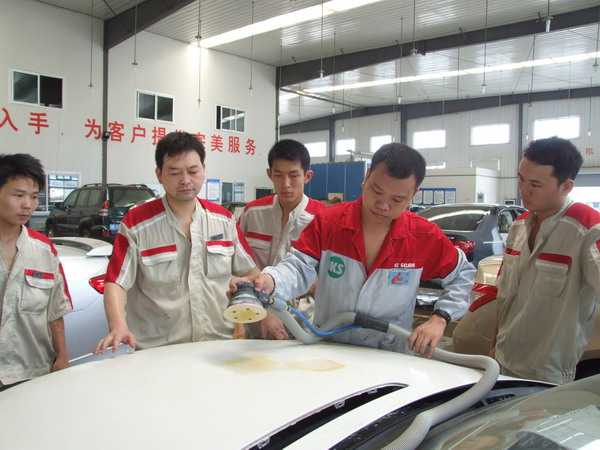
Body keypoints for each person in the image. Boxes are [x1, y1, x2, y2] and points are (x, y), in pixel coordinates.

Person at [231, 143, 475, 356]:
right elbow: (298, 267)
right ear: (366, 177)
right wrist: (270, 280)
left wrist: (440, 318)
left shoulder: (422, 236)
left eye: (397, 199)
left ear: (414, 194)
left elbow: (463, 275)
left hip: (390, 355)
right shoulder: (330, 223)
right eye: (376, 191)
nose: (383, 205)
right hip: (330, 349)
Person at [95, 132, 258, 352]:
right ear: (159, 174)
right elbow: (116, 282)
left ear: (203, 170)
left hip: (219, 346)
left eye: (193, 171)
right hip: (158, 352)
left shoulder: (224, 220)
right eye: (174, 172)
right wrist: (118, 325)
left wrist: (244, 292)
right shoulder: (137, 223)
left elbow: (252, 273)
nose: (185, 180)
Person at [493, 137, 600, 384]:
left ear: (566, 186)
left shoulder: (587, 230)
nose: (524, 190)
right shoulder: (519, 226)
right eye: (520, 179)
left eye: (535, 184)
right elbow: (505, 297)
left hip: (547, 374)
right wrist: (494, 344)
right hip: (503, 359)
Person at [238, 139, 324, 339]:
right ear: (269, 174)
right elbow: (238, 264)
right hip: (255, 316)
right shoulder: (252, 213)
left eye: (293, 175)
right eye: (278, 175)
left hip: (303, 322)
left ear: (307, 176)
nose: (285, 184)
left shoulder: (322, 219)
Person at [0, 154, 71, 391]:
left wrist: (62, 356)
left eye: (33, 196)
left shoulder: (44, 250)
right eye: (18, 195)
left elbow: (55, 311)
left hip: (32, 372)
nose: (28, 205)